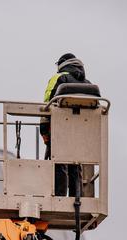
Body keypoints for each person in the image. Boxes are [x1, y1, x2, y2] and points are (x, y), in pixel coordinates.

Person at [40, 53, 91, 197]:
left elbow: (47, 105)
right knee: (75, 164)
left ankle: (59, 197)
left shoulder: (58, 78)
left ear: (61, 64)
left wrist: (44, 131)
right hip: (81, 133)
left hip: (60, 129)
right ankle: (77, 197)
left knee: (59, 163)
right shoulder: (88, 83)